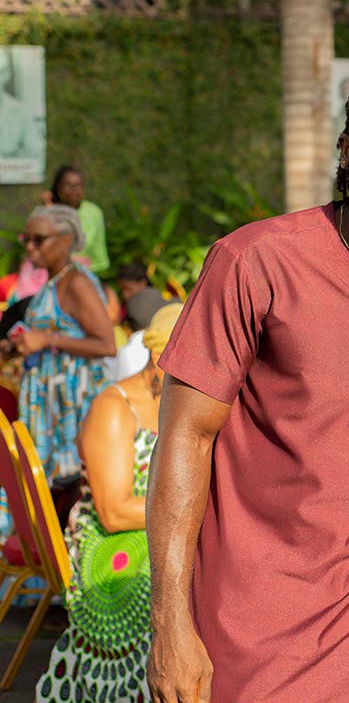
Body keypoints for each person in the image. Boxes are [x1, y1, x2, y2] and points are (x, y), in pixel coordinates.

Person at [146, 60, 349, 701]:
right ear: (347, 150)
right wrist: (169, 623)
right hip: (245, 636)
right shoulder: (253, 260)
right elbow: (185, 437)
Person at [36, 304, 181, 703]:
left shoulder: (187, 404)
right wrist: (199, 513)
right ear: (160, 357)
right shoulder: (116, 407)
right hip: (110, 539)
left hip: (165, 526)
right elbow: (114, 511)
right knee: (165, 583)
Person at [3, 205, 115, 481]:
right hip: (51, 399)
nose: (29, 247)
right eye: (25, 239)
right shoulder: (54, 281)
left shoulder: (76, 282)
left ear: (65, 240)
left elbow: (106, 345)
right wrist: (17, 346)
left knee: (72, 484)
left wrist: (48, 339)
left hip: (73, 403)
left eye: (38, 239)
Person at [47, 166, 109, 274]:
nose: (74, 190)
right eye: (68, 185)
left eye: (78, 185)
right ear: (57, 188)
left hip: (90, 271)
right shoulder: (49, 212)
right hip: (57, 273)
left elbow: (99, 250)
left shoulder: (93, 212)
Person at [116, 261, 174, 332]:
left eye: (128, 289)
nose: (124, 295)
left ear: (143, 282)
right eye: (122, 290)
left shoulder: (134, 305)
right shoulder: (167, 298)